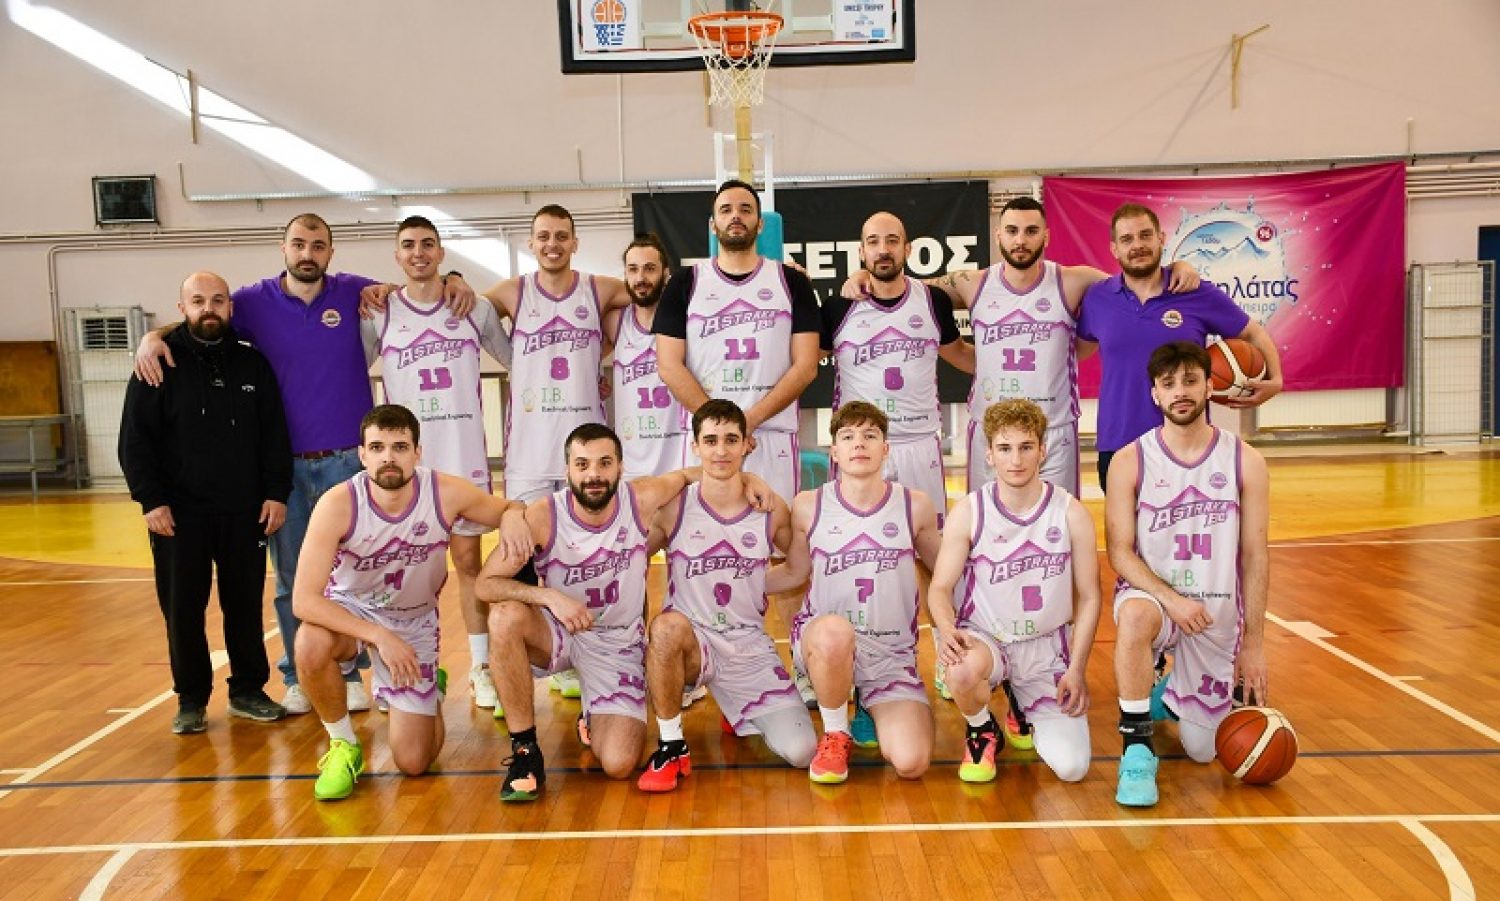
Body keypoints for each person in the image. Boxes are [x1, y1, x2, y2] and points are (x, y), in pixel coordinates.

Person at [133, 213, 476, 715]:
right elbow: (204, 316)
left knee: (362, 576)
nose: (307, 253)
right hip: (284, 469)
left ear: (330, 252)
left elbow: (416, 283)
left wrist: (455, 278)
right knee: (295, 578)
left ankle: (355, 673)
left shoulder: (356, 293)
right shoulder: (252, 301)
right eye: (299, 244)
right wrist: (154, 337)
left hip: (350, 465)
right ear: (284, 248)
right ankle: (300, 676)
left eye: (317, 245)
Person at [474, 424, 771, 802]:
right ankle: (525, 752)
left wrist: (749, 479)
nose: (593, 474)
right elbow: (486, 585)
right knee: (504, 617)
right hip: (558, 631)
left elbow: (692, 473)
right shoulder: (543, 516)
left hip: (616, 644)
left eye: (604, 463)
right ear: (567, 471)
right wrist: (547, 596)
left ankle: (592, 712)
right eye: (582, 465)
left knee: (618, 763)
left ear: (620, 467)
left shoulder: (641, 498)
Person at [842, 197, 1201, 498]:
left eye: (1031, 231)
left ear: (1046, 235)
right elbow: (903, 287)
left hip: (1054, 430)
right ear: (999, 235)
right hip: (991, 430)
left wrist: (1176, 267)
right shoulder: (972, 283)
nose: (1021, 240)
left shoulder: (1074, 280)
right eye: (1012, 231)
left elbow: (1136, 281)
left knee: (1058, 529)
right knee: (987, 529)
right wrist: (863, 275)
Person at [289, 404, 530, 801]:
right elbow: (303, 600)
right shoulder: (338, 503)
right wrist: (378, 635)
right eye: (377, 448)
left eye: (400, 447)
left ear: (418, 452)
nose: (388, 457)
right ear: (362, 455)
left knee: (414, 762)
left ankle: (430, 691)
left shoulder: (444, 492)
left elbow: (508, 508)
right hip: (352, 610)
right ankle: (343, 745)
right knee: (309, 643)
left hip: (412, 621)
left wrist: (515, 515)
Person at [119, 271, 292, 734]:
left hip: (245, 511)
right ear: (182, 309)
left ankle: (248, 691)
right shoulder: (156, 364)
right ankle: (191, 699)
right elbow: (134, 440)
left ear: (230, 307)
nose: (208, 308)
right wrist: (151, 501)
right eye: (198, 301)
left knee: (245, 607)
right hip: (178, 515)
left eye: (217, 300)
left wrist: (276, 492)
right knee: (182, 610)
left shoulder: (252, 364)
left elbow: (275, 435)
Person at [1105, 341, 1270, 807]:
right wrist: (1172, 600)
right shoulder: (1130, 460)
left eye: (1190, 381)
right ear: (1155, 394)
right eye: (1169, 383)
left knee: (1202, 750)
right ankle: (1136, 747)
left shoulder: (1245, 460)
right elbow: (1119, 553)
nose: (1180, 392)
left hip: (1215, 613)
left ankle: (1171, 693)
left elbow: (1256, 556)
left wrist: (1254, 645)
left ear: (1209, 387)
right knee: (1134, 617)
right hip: (1157, 599)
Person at [364, 216, 513, 712]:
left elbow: (520, 358)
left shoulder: (471, 308)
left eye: (428, 244)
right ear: (397, 256)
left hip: (463, 457)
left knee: (468, 564)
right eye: (408, 245)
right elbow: (346, 369)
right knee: (402, 570)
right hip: (407, 465)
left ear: (441, 253)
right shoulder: (380, 314)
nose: (419, 253)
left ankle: (482, 668)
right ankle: (398, 669)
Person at [638, 400, 816, 792]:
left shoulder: (770, 509)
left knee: (803, 751)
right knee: (666, 628)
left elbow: (796, 571)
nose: (721, 450)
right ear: (695, 446)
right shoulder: (675, 507)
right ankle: (671, 745)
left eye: (731, 440)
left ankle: (738, 710)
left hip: (747, 647)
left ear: (747, 444)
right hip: (693, 645)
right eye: (711, 440)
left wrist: (749, 583)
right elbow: (631, 562)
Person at [926, 399, 1102, 786]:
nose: (1016, 459)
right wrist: (947, 629)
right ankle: (981, 728)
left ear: (1043, 450)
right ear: (989, 455)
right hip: (988, 638)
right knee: (961, 669)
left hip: (1046, 649)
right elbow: (939, 588)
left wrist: (1077, 669)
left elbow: (1090, 597)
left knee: (1072, 768)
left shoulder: (1071, 512)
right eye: (1005, 448)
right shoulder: (970, 511)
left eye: (1026, 447)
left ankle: (1020, 702)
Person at [766, 401, 942, 784]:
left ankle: (866, 700)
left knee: (911, 762)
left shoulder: (914, 506)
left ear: (885, 448)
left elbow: (945, 571)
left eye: (869, 435)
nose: (858, 443)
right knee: (834, 632)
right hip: (824, 642)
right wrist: (737, 584)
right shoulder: (809, 505)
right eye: (847, 437)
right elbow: (795, 572)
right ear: (834, 451)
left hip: (890, 654)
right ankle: (836, 731)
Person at [1080, 203, 1283, 489]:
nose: (1137, 245)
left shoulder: (1195, 292)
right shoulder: (1097, 298)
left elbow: (1253, 333)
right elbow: (1073, 350)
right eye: (1127, 239)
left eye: (1145, 235)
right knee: (1122, 521)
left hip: (1187, 444)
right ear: (1114, 249)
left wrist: (1276, 379)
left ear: (1161, 238)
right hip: (1119, 443)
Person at [652, 179, 821, 504]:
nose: (736, 216)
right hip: (708, 439)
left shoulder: (792, 281)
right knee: (703, 531)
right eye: (726, 210)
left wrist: (749, 421)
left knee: (775, 531)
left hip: (771, 433)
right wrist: (721, 427)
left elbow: (806, 366)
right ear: (713, 224)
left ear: (760, 223)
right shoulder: (685, 282)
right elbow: (669, 365)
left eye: (745, 209)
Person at [820, 213, 973, 522]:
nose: (883, 250)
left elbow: (959, 354)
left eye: (892, 241)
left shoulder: (933, 301)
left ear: (908, 249)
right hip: (860, 445)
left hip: (919, 442)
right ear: (861, 252)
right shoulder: (839, 307)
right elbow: (802, 363)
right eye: (873, 242)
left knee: (927, 538)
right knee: (856, 536)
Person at [605, 233, 687, 480]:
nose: (641, 278)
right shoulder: (614, 321)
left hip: (679, 459)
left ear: (665, 273)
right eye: (633, 269)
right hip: (633, 464)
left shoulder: (686, 319)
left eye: (650, 269)